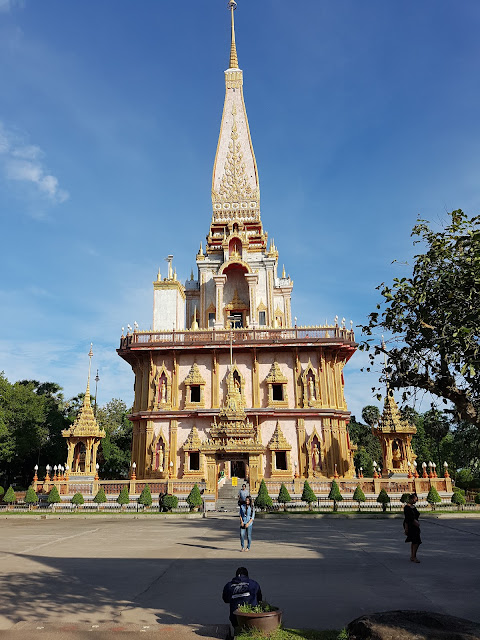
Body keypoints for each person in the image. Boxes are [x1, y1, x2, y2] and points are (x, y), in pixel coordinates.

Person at [404, 492, 421, 562]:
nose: (416, 501)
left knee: (414, 541)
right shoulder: (407, 508)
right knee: (416, 541)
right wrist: (406, 528)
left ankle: (413, 556)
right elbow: (407, 519)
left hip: (415, 526)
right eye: (415, 499)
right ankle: (414, 556)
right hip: (411, 525)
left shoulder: (413, 507)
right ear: (411, 499)